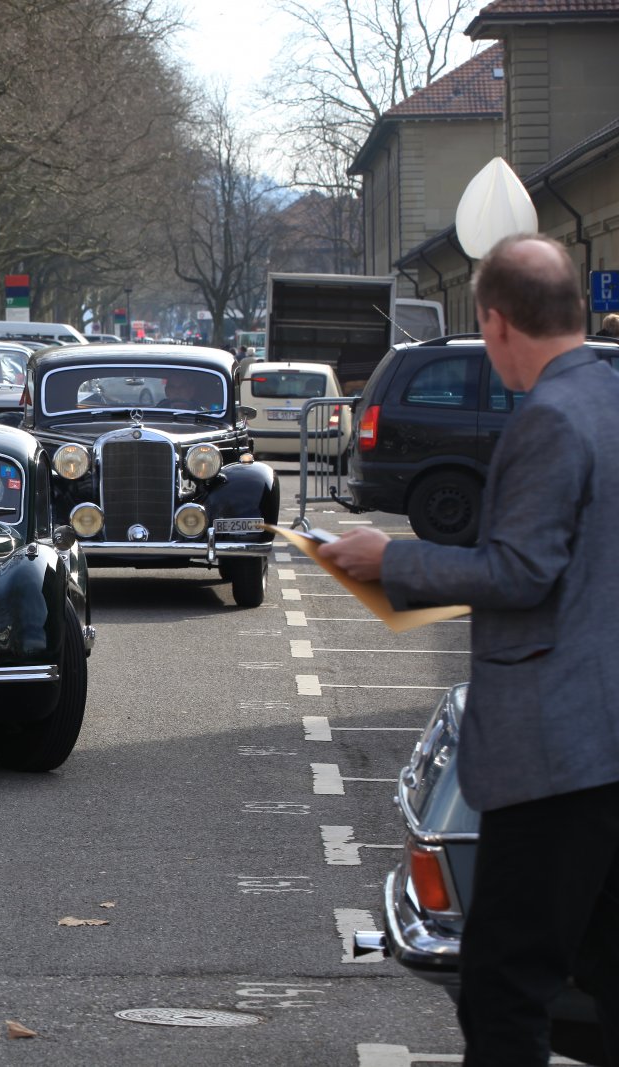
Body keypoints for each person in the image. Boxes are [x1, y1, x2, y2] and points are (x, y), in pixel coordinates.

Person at [320, 234, 619, 1065]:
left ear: (495, 323)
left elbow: (520, 571)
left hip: (552, 749)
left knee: (502, 986)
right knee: (603, 966)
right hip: (604, 739)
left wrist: (390, 560)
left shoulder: (548, 419)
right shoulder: (608, 396)